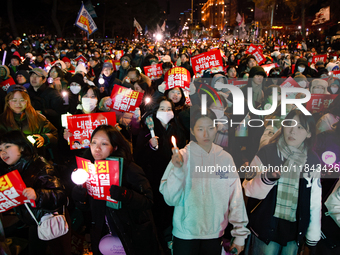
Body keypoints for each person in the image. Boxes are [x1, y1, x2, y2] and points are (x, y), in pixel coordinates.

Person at [159, 107, 250, 255]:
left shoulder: (225, 158)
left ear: (217, 128)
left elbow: (236, 197)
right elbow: (170, 199)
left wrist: (239, 234)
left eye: (210, 128)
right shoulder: (181, 156)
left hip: (215, 233)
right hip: (185, 234)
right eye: (200, 129)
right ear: (193, 131)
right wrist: (177, 170)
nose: (206, 134)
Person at [72, 125, 160, 255]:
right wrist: (80, 197)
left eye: (104, 144)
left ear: (115, 147)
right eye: (94, 142)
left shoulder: (130, 169)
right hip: (103, 233)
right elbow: (87, 209)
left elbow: (148, 201)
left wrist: (125, 194)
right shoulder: (87, 169)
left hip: (131, 235)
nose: (97, 148)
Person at [243, 109, 321, 255]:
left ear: (309, 133)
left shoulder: (313, 160)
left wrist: (312, 236)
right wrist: (267, 179)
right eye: (289, 124)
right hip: (265, 226)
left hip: (294, 231)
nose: (292, 131)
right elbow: (248, 188)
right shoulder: (267, 152)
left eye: (300, 127)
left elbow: (314, 201)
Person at [0, 130, 71, 255]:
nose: (3, 152)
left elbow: (60, 195)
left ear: (22, 147)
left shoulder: (40, 167)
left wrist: (38, 195)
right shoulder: (13, 171)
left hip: (51, 222)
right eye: (0, 149)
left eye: (7, 146)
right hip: (35, 223)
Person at [0, 85, 58, 160]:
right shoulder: (2, 120)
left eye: (22, 100)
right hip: (9, 162)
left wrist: (44, 138)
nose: (18, 104)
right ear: (8, 101)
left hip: (35, 161)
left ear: (27, 101)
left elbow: (54, 134)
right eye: (14, 100)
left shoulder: (38, 118)